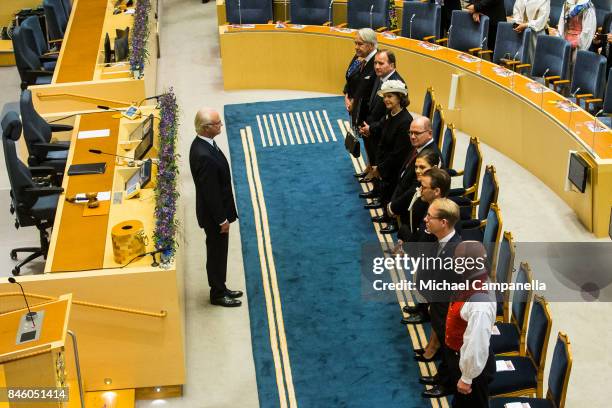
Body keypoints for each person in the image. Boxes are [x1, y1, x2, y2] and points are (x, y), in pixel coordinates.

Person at [189, 108, 243, 307]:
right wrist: (222, 220)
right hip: (214, 217)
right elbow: (210, 193)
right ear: (206, 128)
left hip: (217, 212)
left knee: (220, 252)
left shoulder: (205, 144)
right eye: (218, 123)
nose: (221, 125)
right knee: (216, 254)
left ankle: (221, 286)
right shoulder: (203, 155)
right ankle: (218, 294)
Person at [417, 197, 463, 399]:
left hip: (448, 312)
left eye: (429, 216)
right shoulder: (439, 241)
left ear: (443, 222)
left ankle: (448, 385)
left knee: (450, 351)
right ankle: (442, 376)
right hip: (437, 307)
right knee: (445, 350)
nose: (425, 219)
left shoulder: (457, 251)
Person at [445, 241, 496, 408]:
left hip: (473, 372)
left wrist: (467, 378)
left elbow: (477, 342)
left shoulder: (480, 302)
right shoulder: (472, 278)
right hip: (461, 359)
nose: (453, 262)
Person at [363, 80, 413, 230]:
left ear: (399, 98)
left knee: (392, 193)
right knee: (385, 191)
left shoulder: (405, 121)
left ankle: (393, 223)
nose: (386, 100)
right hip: (385, 163)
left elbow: (398, 154)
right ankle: (385, 214)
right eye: (385, 96)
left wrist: (380, 168)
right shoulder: (390, 114)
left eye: (390, 96)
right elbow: (383, 133)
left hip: (396, 167)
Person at [374, 116, 441, 223]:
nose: (412, 137)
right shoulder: (419, 146)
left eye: (417, 133)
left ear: (429, 134)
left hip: (415, 212)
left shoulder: (432, 156)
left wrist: (394, 207)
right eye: (410, 133)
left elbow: (416, 188)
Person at [357, 49, 405, 185]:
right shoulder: (381, 77)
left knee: (382, 162)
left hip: (382, 130)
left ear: (392, 65)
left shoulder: (397, 84)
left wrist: (372, 127)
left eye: (381, 63)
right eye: (375, 63)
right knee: (373, 156)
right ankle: (372, 171)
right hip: (373, 127)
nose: (377, 66)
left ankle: (377, 186)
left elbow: (391, 116)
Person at [344, 28, 378, 178]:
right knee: (366, 141)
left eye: (360, 44)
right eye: (355, 43)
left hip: (368, 112)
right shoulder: (360, 57)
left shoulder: (377, 62)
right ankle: (369, 165)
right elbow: (350, 77)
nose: (356, 47)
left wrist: (355, 102)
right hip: (356, 107)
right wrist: (347, 95)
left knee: (372, 143)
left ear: (371, 45)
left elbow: (370, 90)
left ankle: (374, 169)